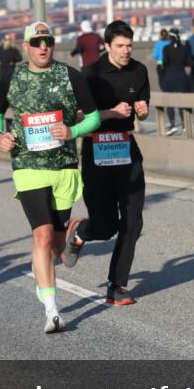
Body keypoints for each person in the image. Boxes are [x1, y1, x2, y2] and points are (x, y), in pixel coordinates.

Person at [0, 21, 101, 334]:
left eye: (47, 41)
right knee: (43, 235)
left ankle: (56, 258)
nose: (43, 47)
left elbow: (92, 116)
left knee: (59, 246)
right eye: (36, 42)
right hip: (27, 165)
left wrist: (73, 130)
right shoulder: (11, 77)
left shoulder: (71, 76)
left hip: (63, 166)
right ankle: (52, 310)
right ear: (26, 46)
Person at [61, 20, 150, 306]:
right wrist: (110, 113)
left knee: (133, 221)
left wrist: (143, 109)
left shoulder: (139, 71)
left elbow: (143, 110)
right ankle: (81, 232)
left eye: (129, 46)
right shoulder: (90, 74)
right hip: (97, 150)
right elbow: (75, 117)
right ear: (108, 46)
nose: (126, 51)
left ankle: (117, 285)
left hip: (126, 148)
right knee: (106, 226)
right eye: (120, 46)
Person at [160, 29, 194, 136]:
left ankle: (172, 125)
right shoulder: (184, 48)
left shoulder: (166, 48)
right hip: (182, 76)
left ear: (170, 37)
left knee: (170, 102)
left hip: (170, 76)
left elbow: (164, 63)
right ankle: (185, 125)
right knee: (182, 101)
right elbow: (190, 63)